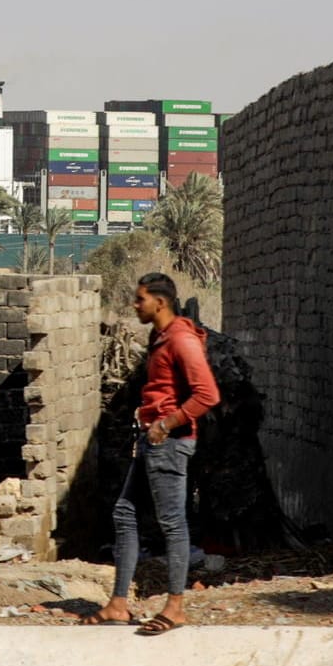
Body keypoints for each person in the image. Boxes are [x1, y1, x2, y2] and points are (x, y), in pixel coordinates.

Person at [84, 272, 221, 636]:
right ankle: (118, 604)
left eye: (140, 298)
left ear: (160, 302)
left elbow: (207, 394)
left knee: (173, 523)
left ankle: (175, 607)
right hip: (154, 440)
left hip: (169, 443)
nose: (135, 304)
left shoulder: (181, 339)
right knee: (124, 514)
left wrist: (166, 424)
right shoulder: (161, 337)